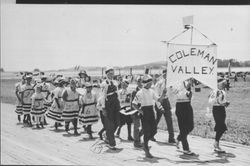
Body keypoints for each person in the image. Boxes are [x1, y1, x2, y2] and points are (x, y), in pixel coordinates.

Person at [132, 74, 166, 158]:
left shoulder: (152, 91)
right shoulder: (140, 92)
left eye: (151, 82)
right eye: (150, 82)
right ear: (146, 83)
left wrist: (163, 94)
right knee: (147, 131)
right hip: (144, 112)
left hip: (151, 111)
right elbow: (133, 104)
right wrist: (140, 110)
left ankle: (144, 141)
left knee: (154, 130)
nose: (151, 84)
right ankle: (146, 149)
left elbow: (158, 100)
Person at [171, 79, 195, 155]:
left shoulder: (187, 82)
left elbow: (189, 96)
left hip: (187, 104)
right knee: (183, 127)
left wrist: (189, 91)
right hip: (180, 105)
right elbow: (175, 93)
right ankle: (186, 148)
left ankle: (179, 138)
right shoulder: (175, 83)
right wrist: (186, 88)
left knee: (191, 126)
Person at [100, 66, 120, 150]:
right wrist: (103, 108)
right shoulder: (104, 84)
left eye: (112, 73)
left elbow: (117, 93)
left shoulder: (115, 82)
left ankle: (108, 135)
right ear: (106, 74)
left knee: (117, 123)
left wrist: (119, 104)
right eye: (109, 73)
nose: (111, 75)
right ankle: (111, 143)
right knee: (110, 124)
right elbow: (103, 96)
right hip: (109, 104)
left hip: (116, 103)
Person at [208, 78, 230, 153]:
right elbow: (210, 101)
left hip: (222, 109)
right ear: (218, 84)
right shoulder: (214, 91)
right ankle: (216, 143)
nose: (224, 85)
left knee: (221, 127)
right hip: (216, 109)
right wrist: (217, 99)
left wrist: (226, 103)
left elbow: (222, 101)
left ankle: (216, 143)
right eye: (222, 83)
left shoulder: (223, 92)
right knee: (221, 126)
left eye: (224, 84)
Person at [154, 69, 175, 143]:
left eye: (167, 74)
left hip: (166, 101)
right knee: (157, 119)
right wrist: (159, 104)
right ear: (162, 74)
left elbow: (172, 91)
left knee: (169, 120)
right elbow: (156, 94)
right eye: (164, 74)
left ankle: (171, 138)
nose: (166, 75)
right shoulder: (159, 83)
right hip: (160, 101)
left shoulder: (170, 83)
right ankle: (151, 134)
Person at [131, 75, 144, 148]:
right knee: (136, 127)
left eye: (142, 81)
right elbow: (132, 104)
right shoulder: (134, 92)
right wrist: (135, 112)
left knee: (145, 127)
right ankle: (136, 142)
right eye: (139, 81)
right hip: (136, 112)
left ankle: (138, 138)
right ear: (137, 82)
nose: (141, 83)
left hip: (144, 111)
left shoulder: (145, 90)